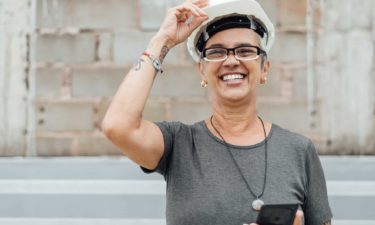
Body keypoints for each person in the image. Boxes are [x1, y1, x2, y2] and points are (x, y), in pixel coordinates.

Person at [102, 0, 333, 224]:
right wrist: (162, 40)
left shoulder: (298, 151)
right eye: (216, 52)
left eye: (245, 51)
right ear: (202, 71)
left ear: (264, 69)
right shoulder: (179, 145)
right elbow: (118, 126)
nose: (231, 61)